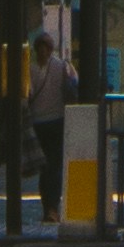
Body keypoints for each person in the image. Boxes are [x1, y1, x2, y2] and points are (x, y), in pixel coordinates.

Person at [26, 28, 77, 222]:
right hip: (57, 121)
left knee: (44, 168)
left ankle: (47, 207)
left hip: (38, 124)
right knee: (54, 167)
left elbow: (28, 94)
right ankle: (52, 208)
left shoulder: (30, 69)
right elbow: (73, 86)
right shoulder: (62, 66)